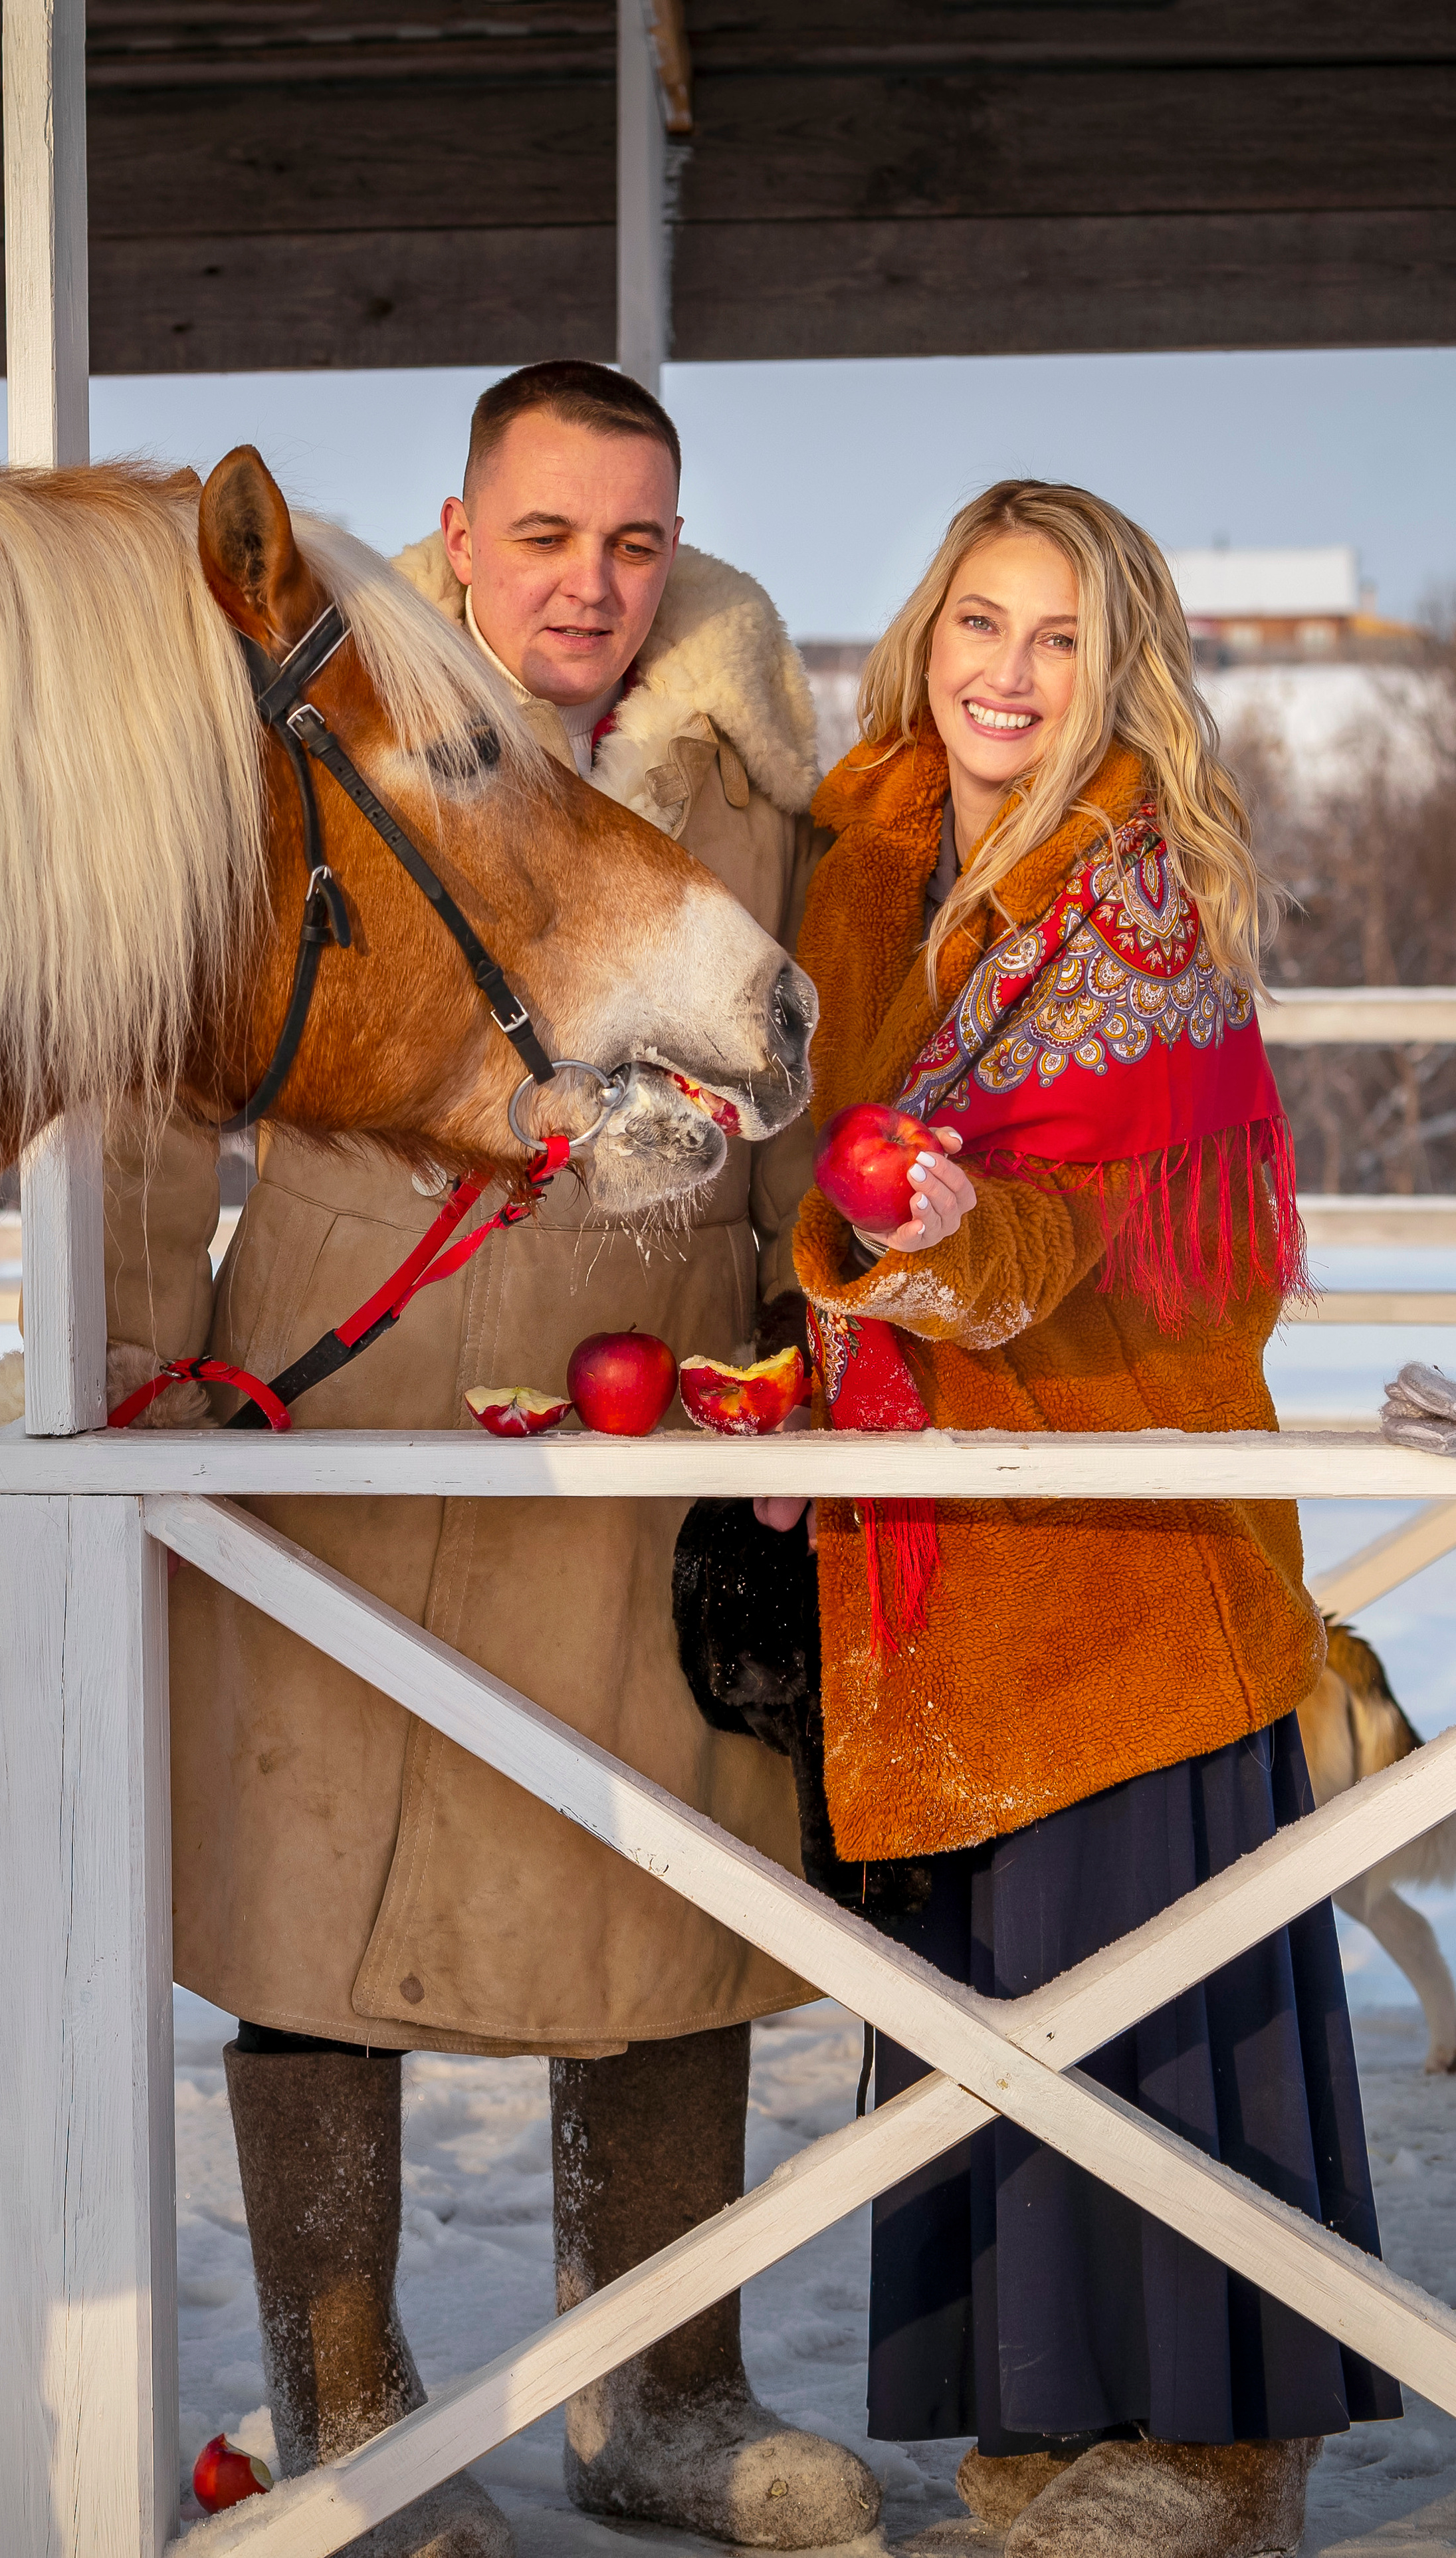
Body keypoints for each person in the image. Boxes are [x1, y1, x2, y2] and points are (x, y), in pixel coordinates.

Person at [91, 364, 877, 2555]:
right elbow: (173, 1051)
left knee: (673, 1895)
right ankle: (347, 2403)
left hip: (664, 1377)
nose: (593, 587)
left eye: (636, 543)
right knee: (308, 1889)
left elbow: (841, 1079)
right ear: (457, 531)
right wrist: (142, 1352)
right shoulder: (336, 720)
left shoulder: (759, 776)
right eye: (546, 537)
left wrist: (824, 1357)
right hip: (357, 1385)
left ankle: (670, 2398)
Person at [760, 480, 1400, 2557]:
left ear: (1116, 672)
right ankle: (1030, 2428)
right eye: (981, 623)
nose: (1010, 676)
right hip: (924, 1540)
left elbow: (1131, 1254)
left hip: (1121, 1536)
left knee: (1154, 1975)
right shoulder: (857, 864)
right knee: (983, 1993)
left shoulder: (1145, 908)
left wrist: (953, 1234)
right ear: (926, 632)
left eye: (1060, 639)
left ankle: (1225, 2453)